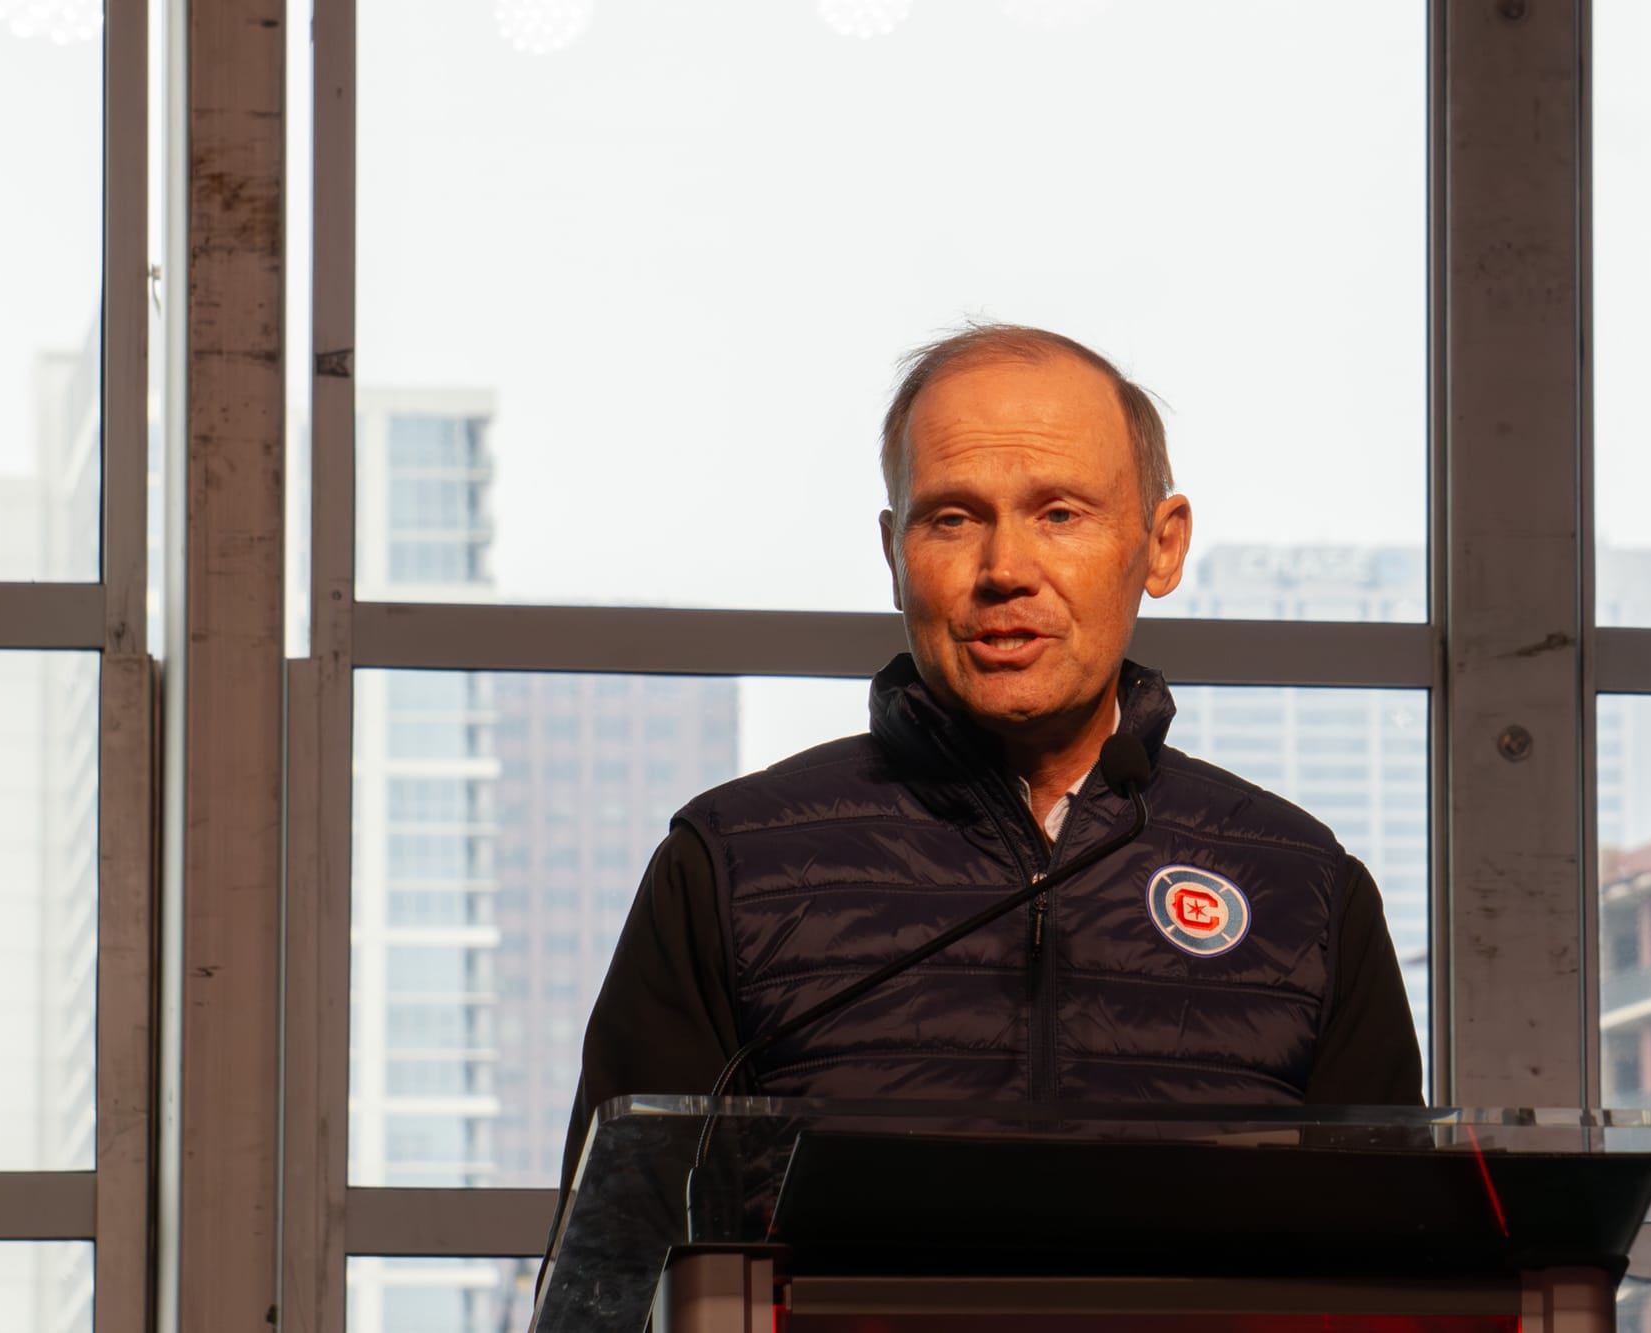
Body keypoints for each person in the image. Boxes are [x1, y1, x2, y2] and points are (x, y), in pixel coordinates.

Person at [552, 324, 1422, 1226]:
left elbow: (1403, 1271)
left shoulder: (1304, 890)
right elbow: (618, 1264)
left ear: (1161, 545)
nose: (1005, 570)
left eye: (1060, 514)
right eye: (953, 518)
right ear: (895, 554)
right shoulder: (730, 871)